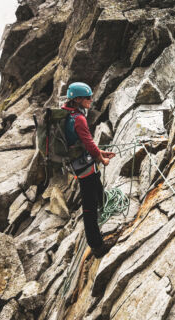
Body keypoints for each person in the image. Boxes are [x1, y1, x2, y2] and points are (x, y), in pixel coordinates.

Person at [63, 82, 116, 258]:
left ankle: (105, 205)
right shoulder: (79, 119)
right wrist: (101, 158)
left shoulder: (67, 113)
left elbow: (82, 143)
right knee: (89, 206)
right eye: (88, 97)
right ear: (78, 99)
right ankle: (97, 245)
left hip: (78, 161)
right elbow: (88, 143)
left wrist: (99, 153)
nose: (91, 100)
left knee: (96, 184)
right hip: (83, 165)